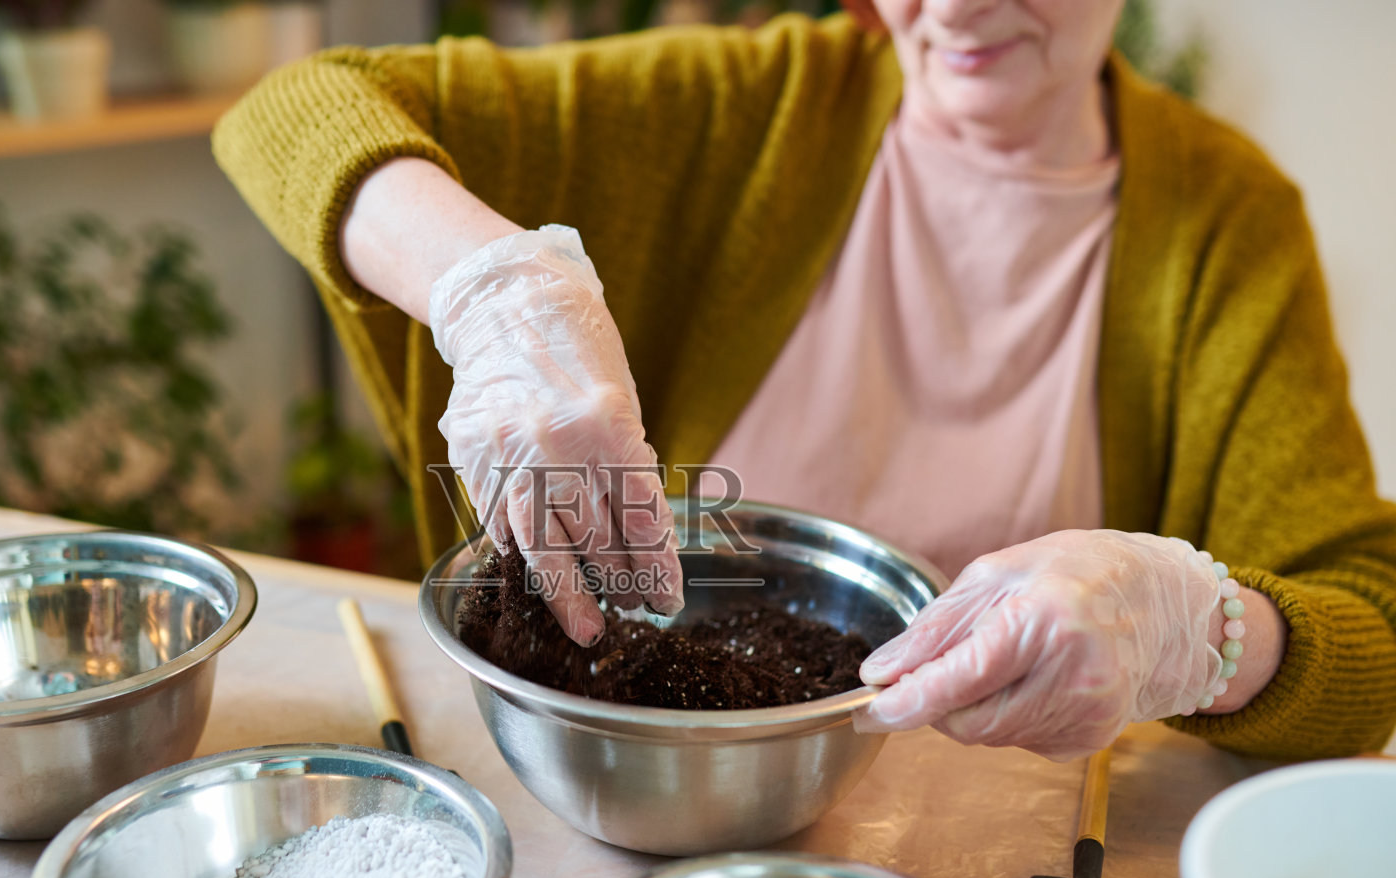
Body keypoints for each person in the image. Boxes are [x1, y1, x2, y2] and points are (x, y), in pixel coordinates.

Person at [214, 0, 1396, 762]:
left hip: (997, 836)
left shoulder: (1227, 225)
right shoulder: (750, 110)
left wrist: (1198, 627)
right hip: (622, 797)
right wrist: (496, 289)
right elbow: (291, 111)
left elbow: (1372, 630)